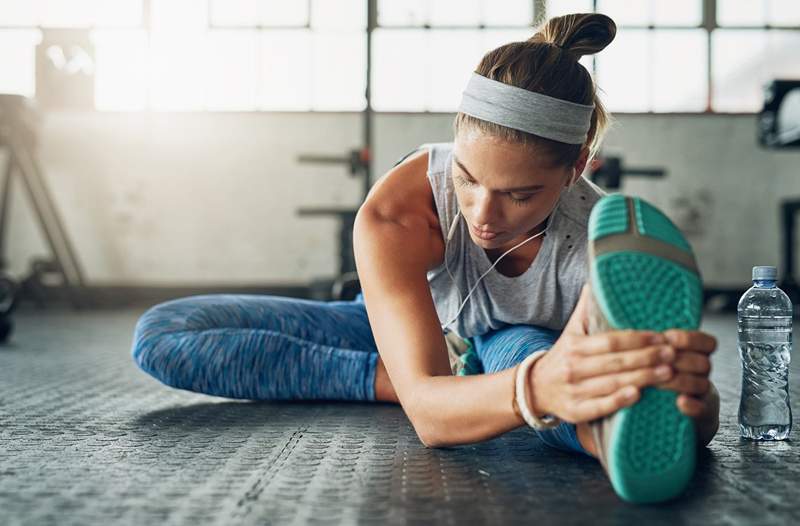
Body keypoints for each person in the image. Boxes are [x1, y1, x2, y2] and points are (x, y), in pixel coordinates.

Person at [131, 13, 719, 504]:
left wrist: (690, 401)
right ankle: (425, 382)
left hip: (517, 349)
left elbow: (639, 384)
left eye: (520, 195)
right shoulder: (399, 209)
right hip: (399, 329)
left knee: (534, 356)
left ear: (578, 164)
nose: (484, 214)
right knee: (163, 335)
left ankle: (598, 431)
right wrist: (433, 389)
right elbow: (433, 421)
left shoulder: (600, 243)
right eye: (467, 178)